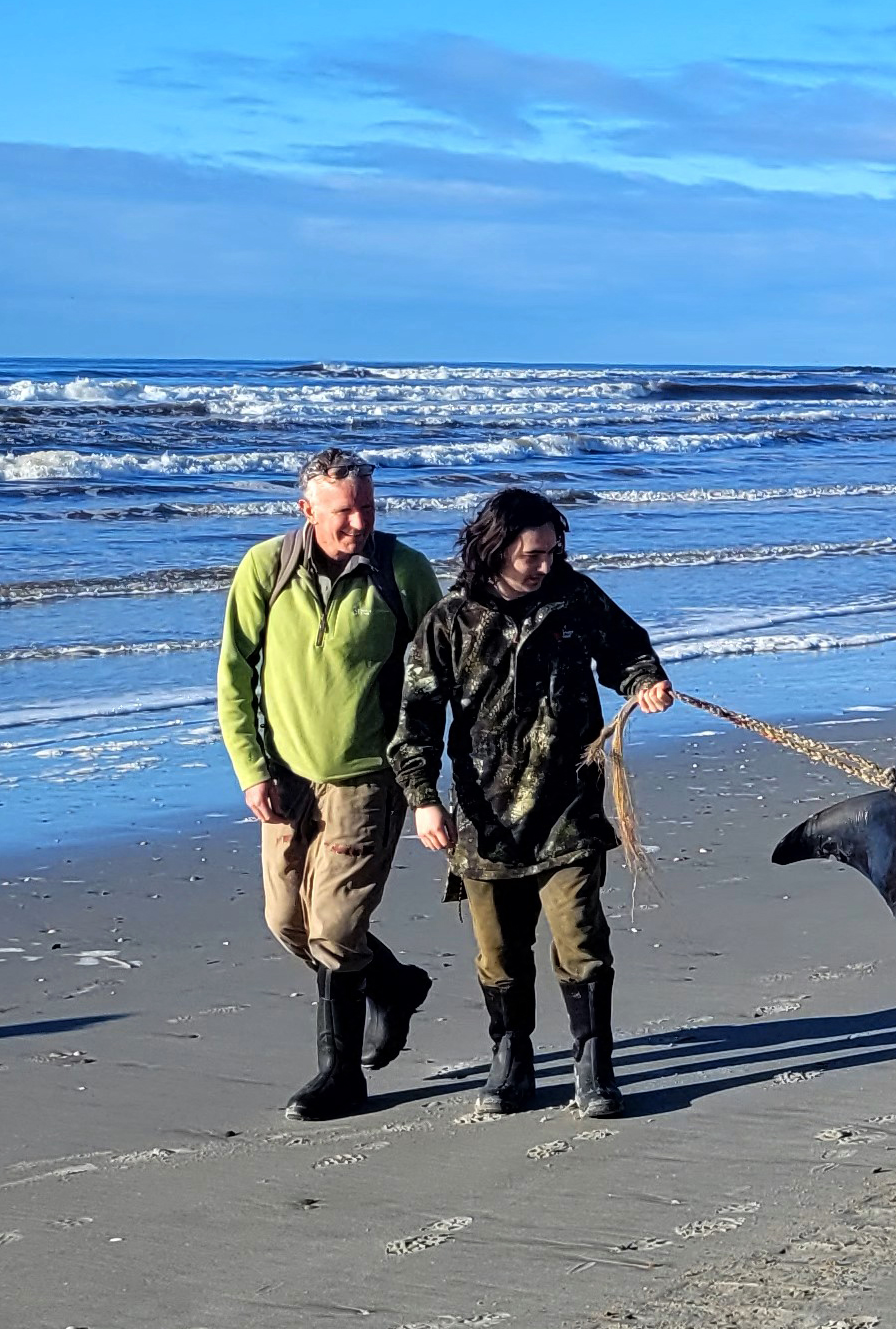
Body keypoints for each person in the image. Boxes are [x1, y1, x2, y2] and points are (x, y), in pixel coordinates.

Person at [390, 487, 673, 1118]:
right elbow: (415, 720)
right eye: (533, 554)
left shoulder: (575, 599)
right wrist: (423, 801)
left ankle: (593, 1066)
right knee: (499, 953)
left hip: (569, 807)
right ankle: (511, 1059)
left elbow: (626, 650)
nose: (547, 563)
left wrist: (645, 680)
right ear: (495, 550)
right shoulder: (449, 622)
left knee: (580, 938)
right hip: (483, 820)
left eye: (554, 549)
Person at [216, 446, 444, 1120]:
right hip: (285, 779)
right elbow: (234, 677)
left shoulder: (403, 572)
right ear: (306, 509)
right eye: (343, 510)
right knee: (287, 922)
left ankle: (340, 1076)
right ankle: (395, 985)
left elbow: (438, 679)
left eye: (367, 507)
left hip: (368, 780)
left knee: (337, 930)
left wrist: (426, 781)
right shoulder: (266, 567)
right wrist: (251, 769)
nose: (357, 522)